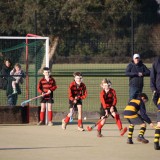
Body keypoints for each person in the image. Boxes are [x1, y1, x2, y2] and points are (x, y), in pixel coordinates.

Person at [150, 56, 160, 150]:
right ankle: (156, 142)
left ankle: (156, 142)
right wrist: (154, 89)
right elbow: (152, 76)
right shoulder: (157, 61)